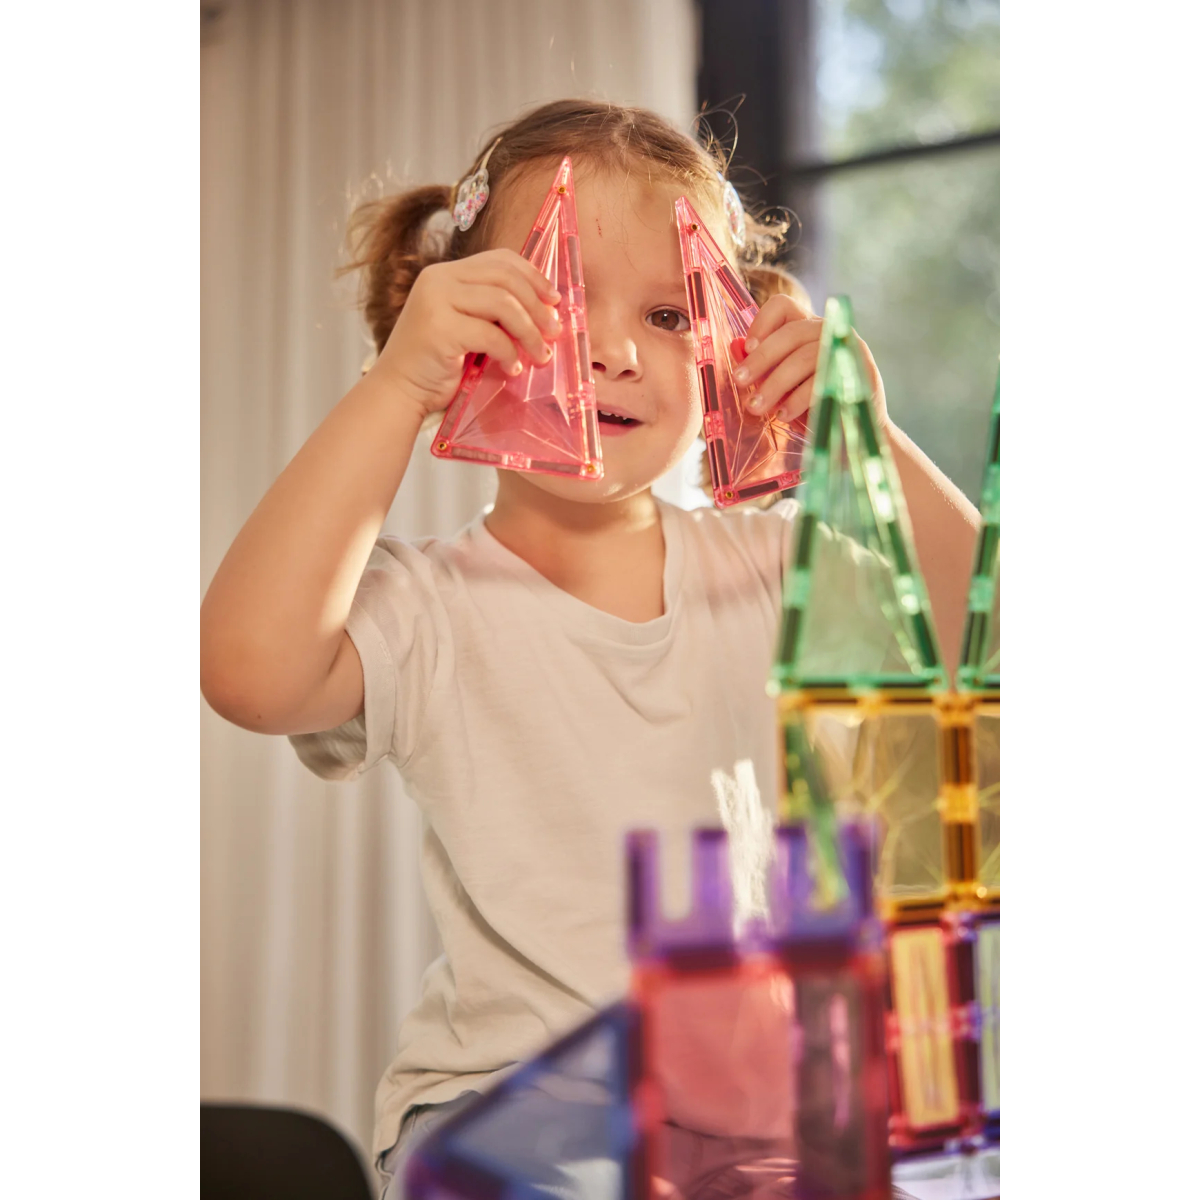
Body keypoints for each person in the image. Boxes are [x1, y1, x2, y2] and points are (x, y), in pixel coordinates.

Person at [200, 98, 977, 1199]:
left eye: (667, 315)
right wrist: (399, 388)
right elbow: (249, 672)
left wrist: (869, 439)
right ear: (465, 334)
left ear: (727, 347)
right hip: (510, 1107)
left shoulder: (769, 567)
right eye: (560, 299)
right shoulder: (429, 609)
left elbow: (984, 631)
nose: (613, 351)